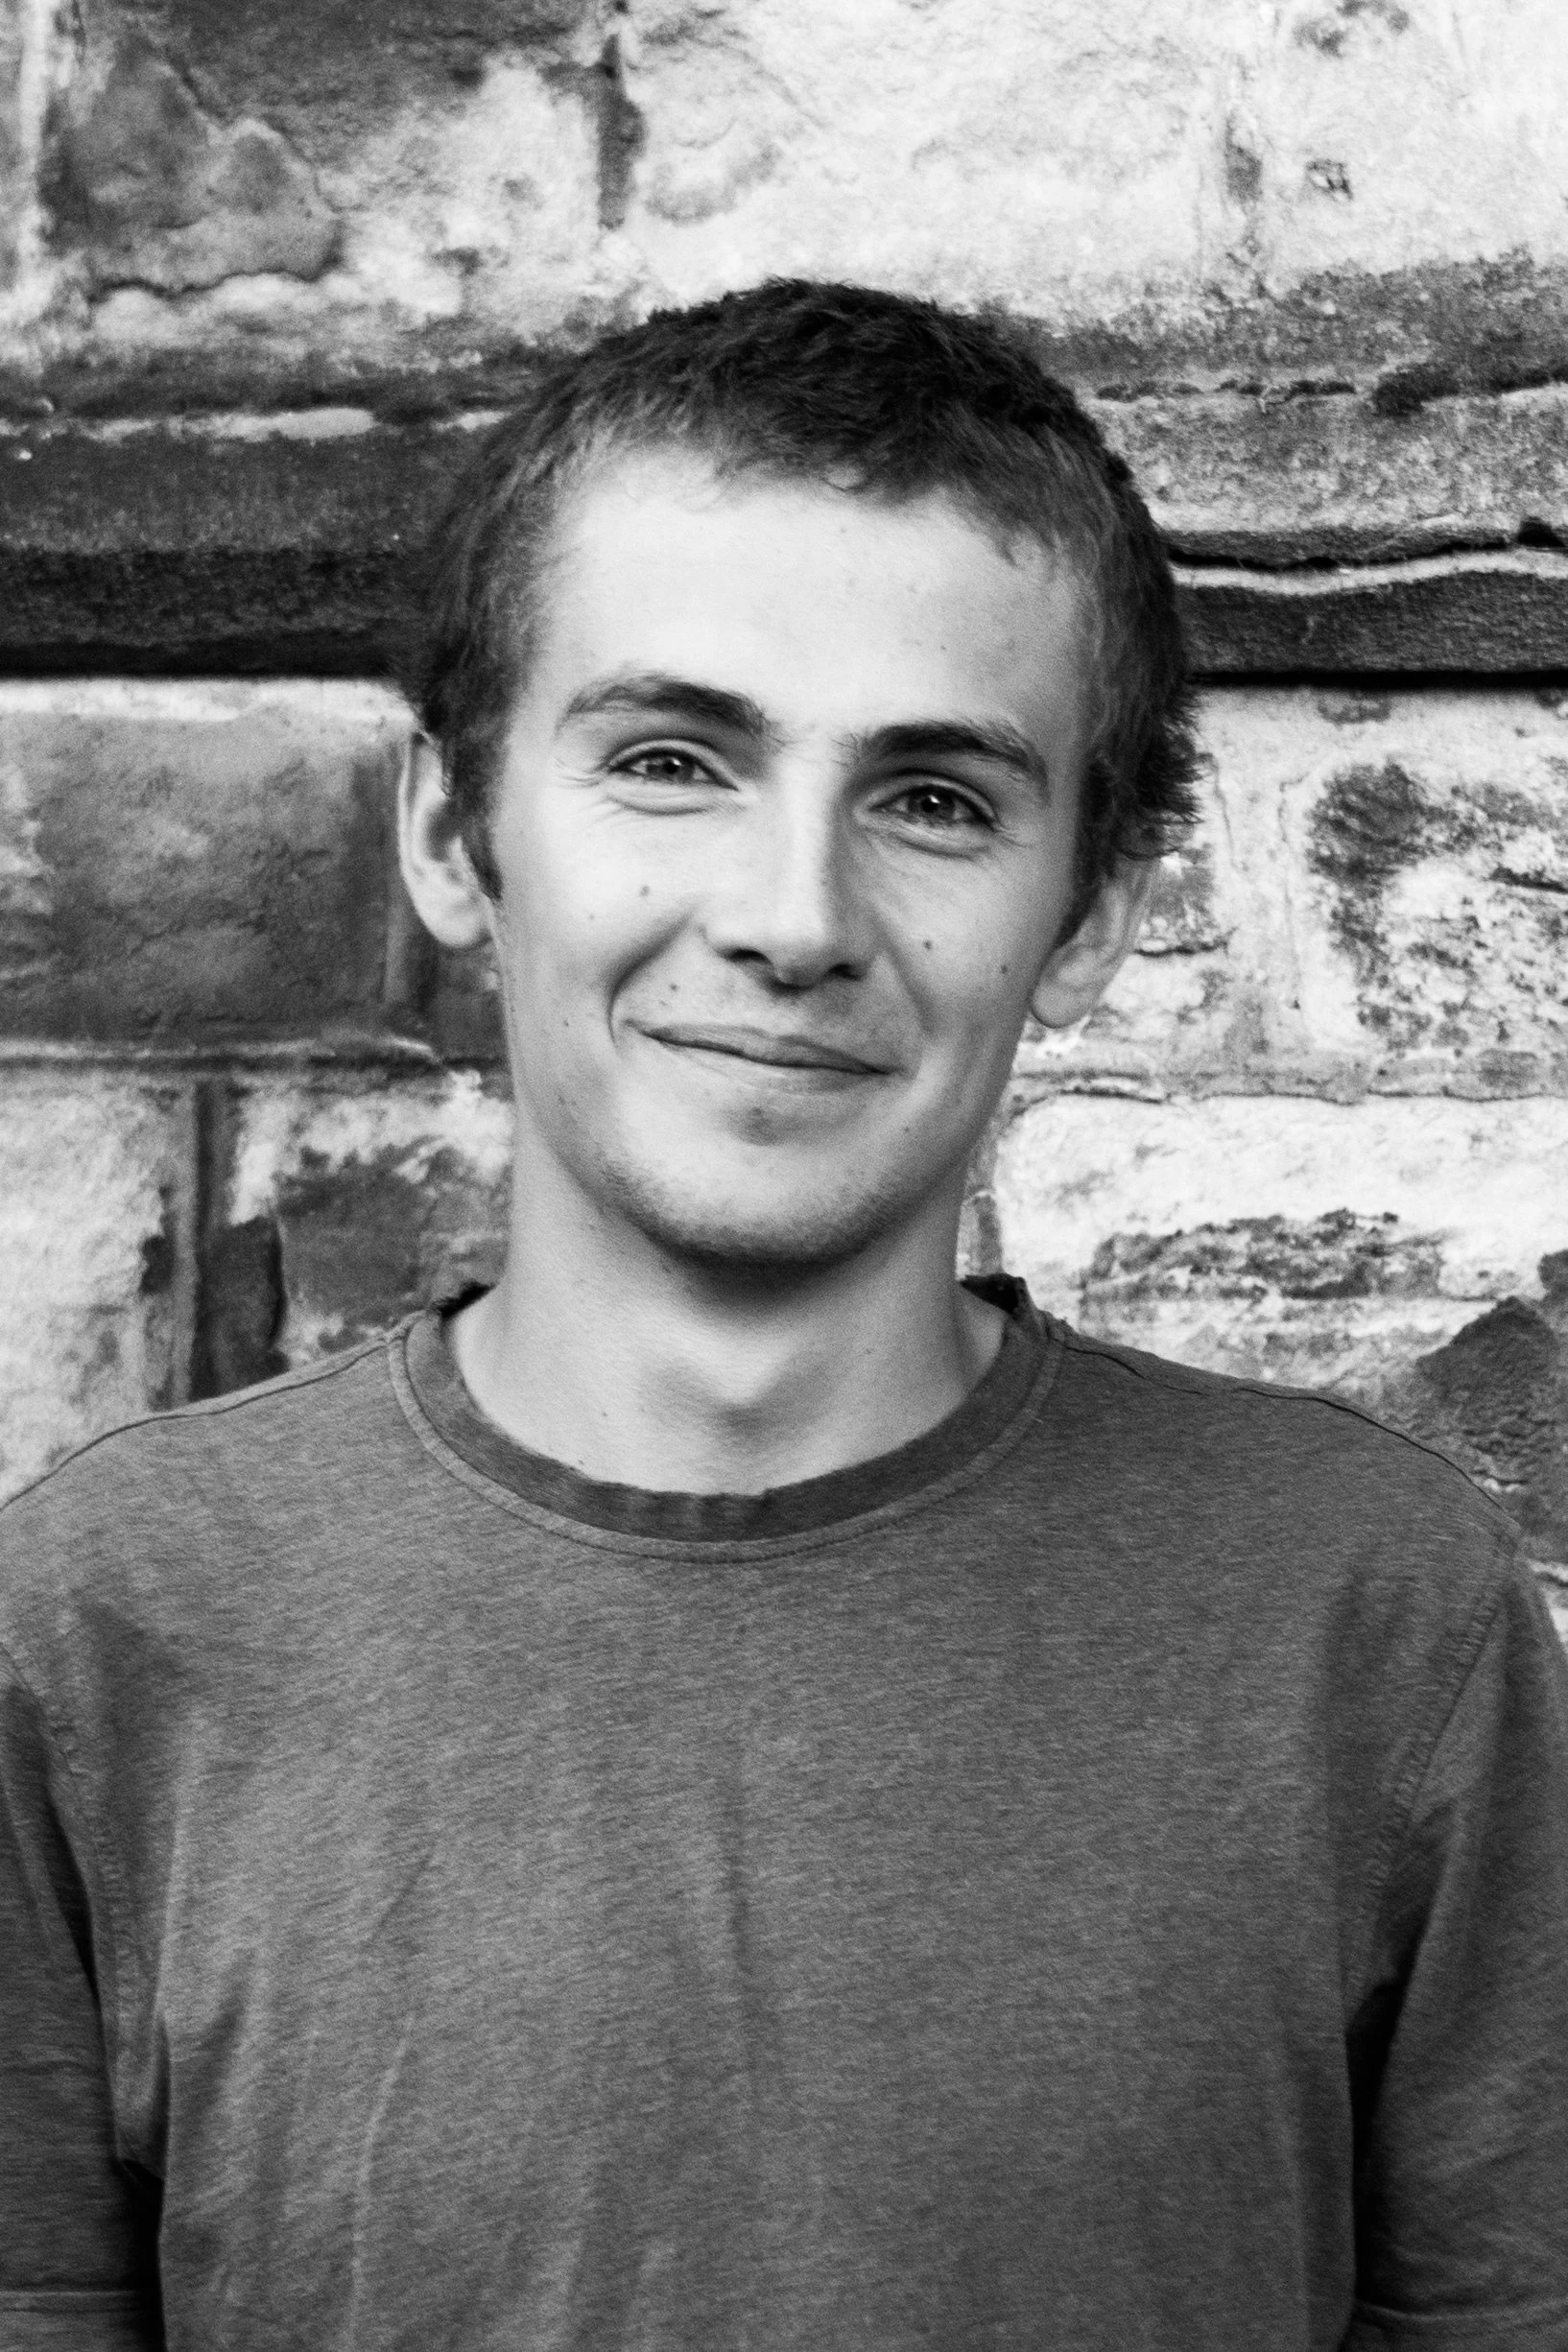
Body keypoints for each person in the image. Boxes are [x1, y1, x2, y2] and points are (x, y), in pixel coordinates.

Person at [1, 280, 1565, 2352]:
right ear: (454, 833)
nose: (793, 918)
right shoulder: (102, 1622)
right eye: (671, 762)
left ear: (1091, 910)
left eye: (933, 799)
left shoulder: (1374, 1618)